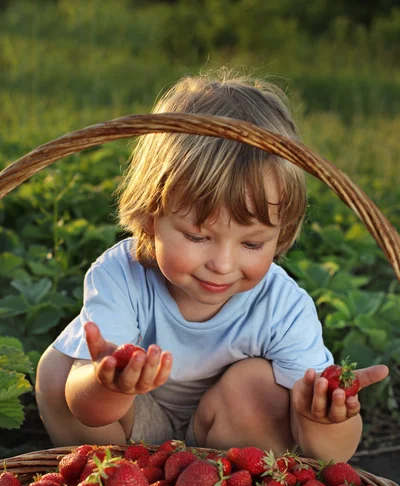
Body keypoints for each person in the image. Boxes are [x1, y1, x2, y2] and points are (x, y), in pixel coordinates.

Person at [35, 68, 388, 463]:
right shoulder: (121, 276)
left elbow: (331, 456)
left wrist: (324, 417)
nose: (222, 264)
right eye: (198, 237)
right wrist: (111, 384)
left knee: (258, 384)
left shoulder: (282, 307)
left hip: (227, 441)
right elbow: (89, 409)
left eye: (252, 243)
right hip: (129, 430)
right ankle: (114, 483)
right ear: (152, 216)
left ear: (282, 232)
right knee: (59, 374)